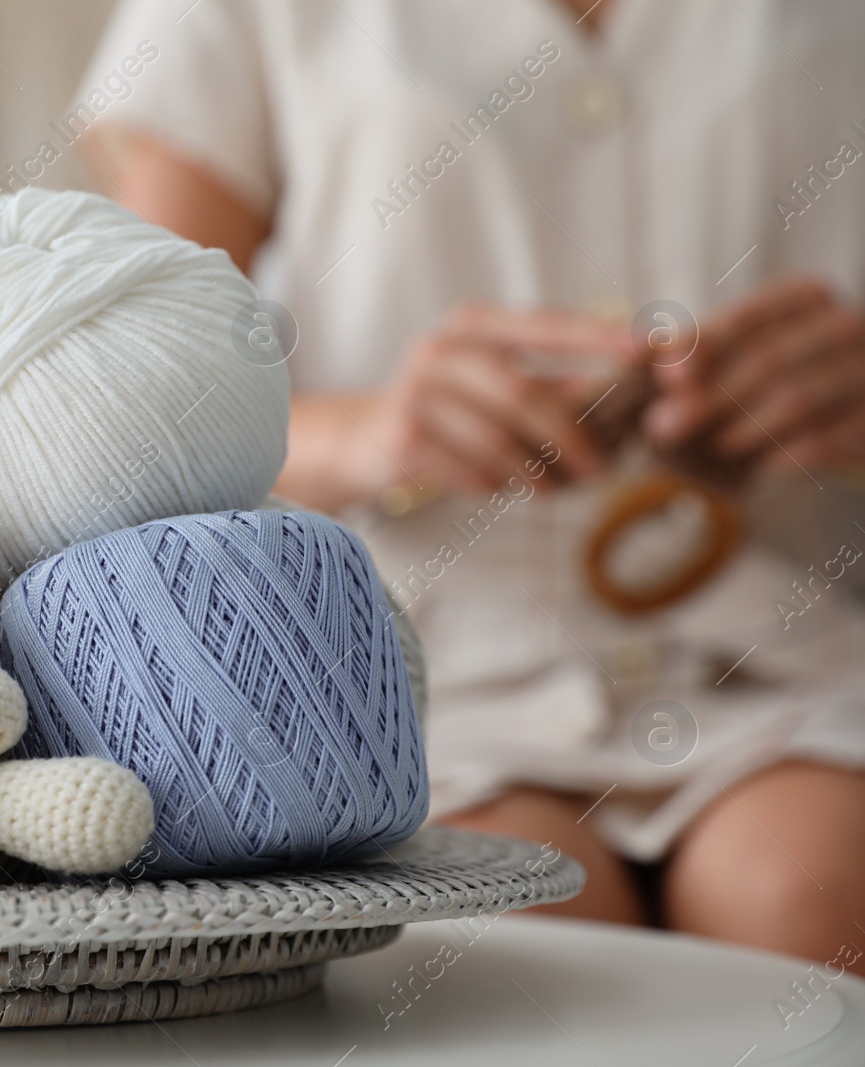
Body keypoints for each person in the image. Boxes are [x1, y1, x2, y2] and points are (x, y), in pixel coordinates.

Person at [77, 0, 865, 969]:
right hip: (418, 675)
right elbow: (121, 401)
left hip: (779, 654)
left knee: (807, 896)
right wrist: (371, 433)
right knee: (511, 956)